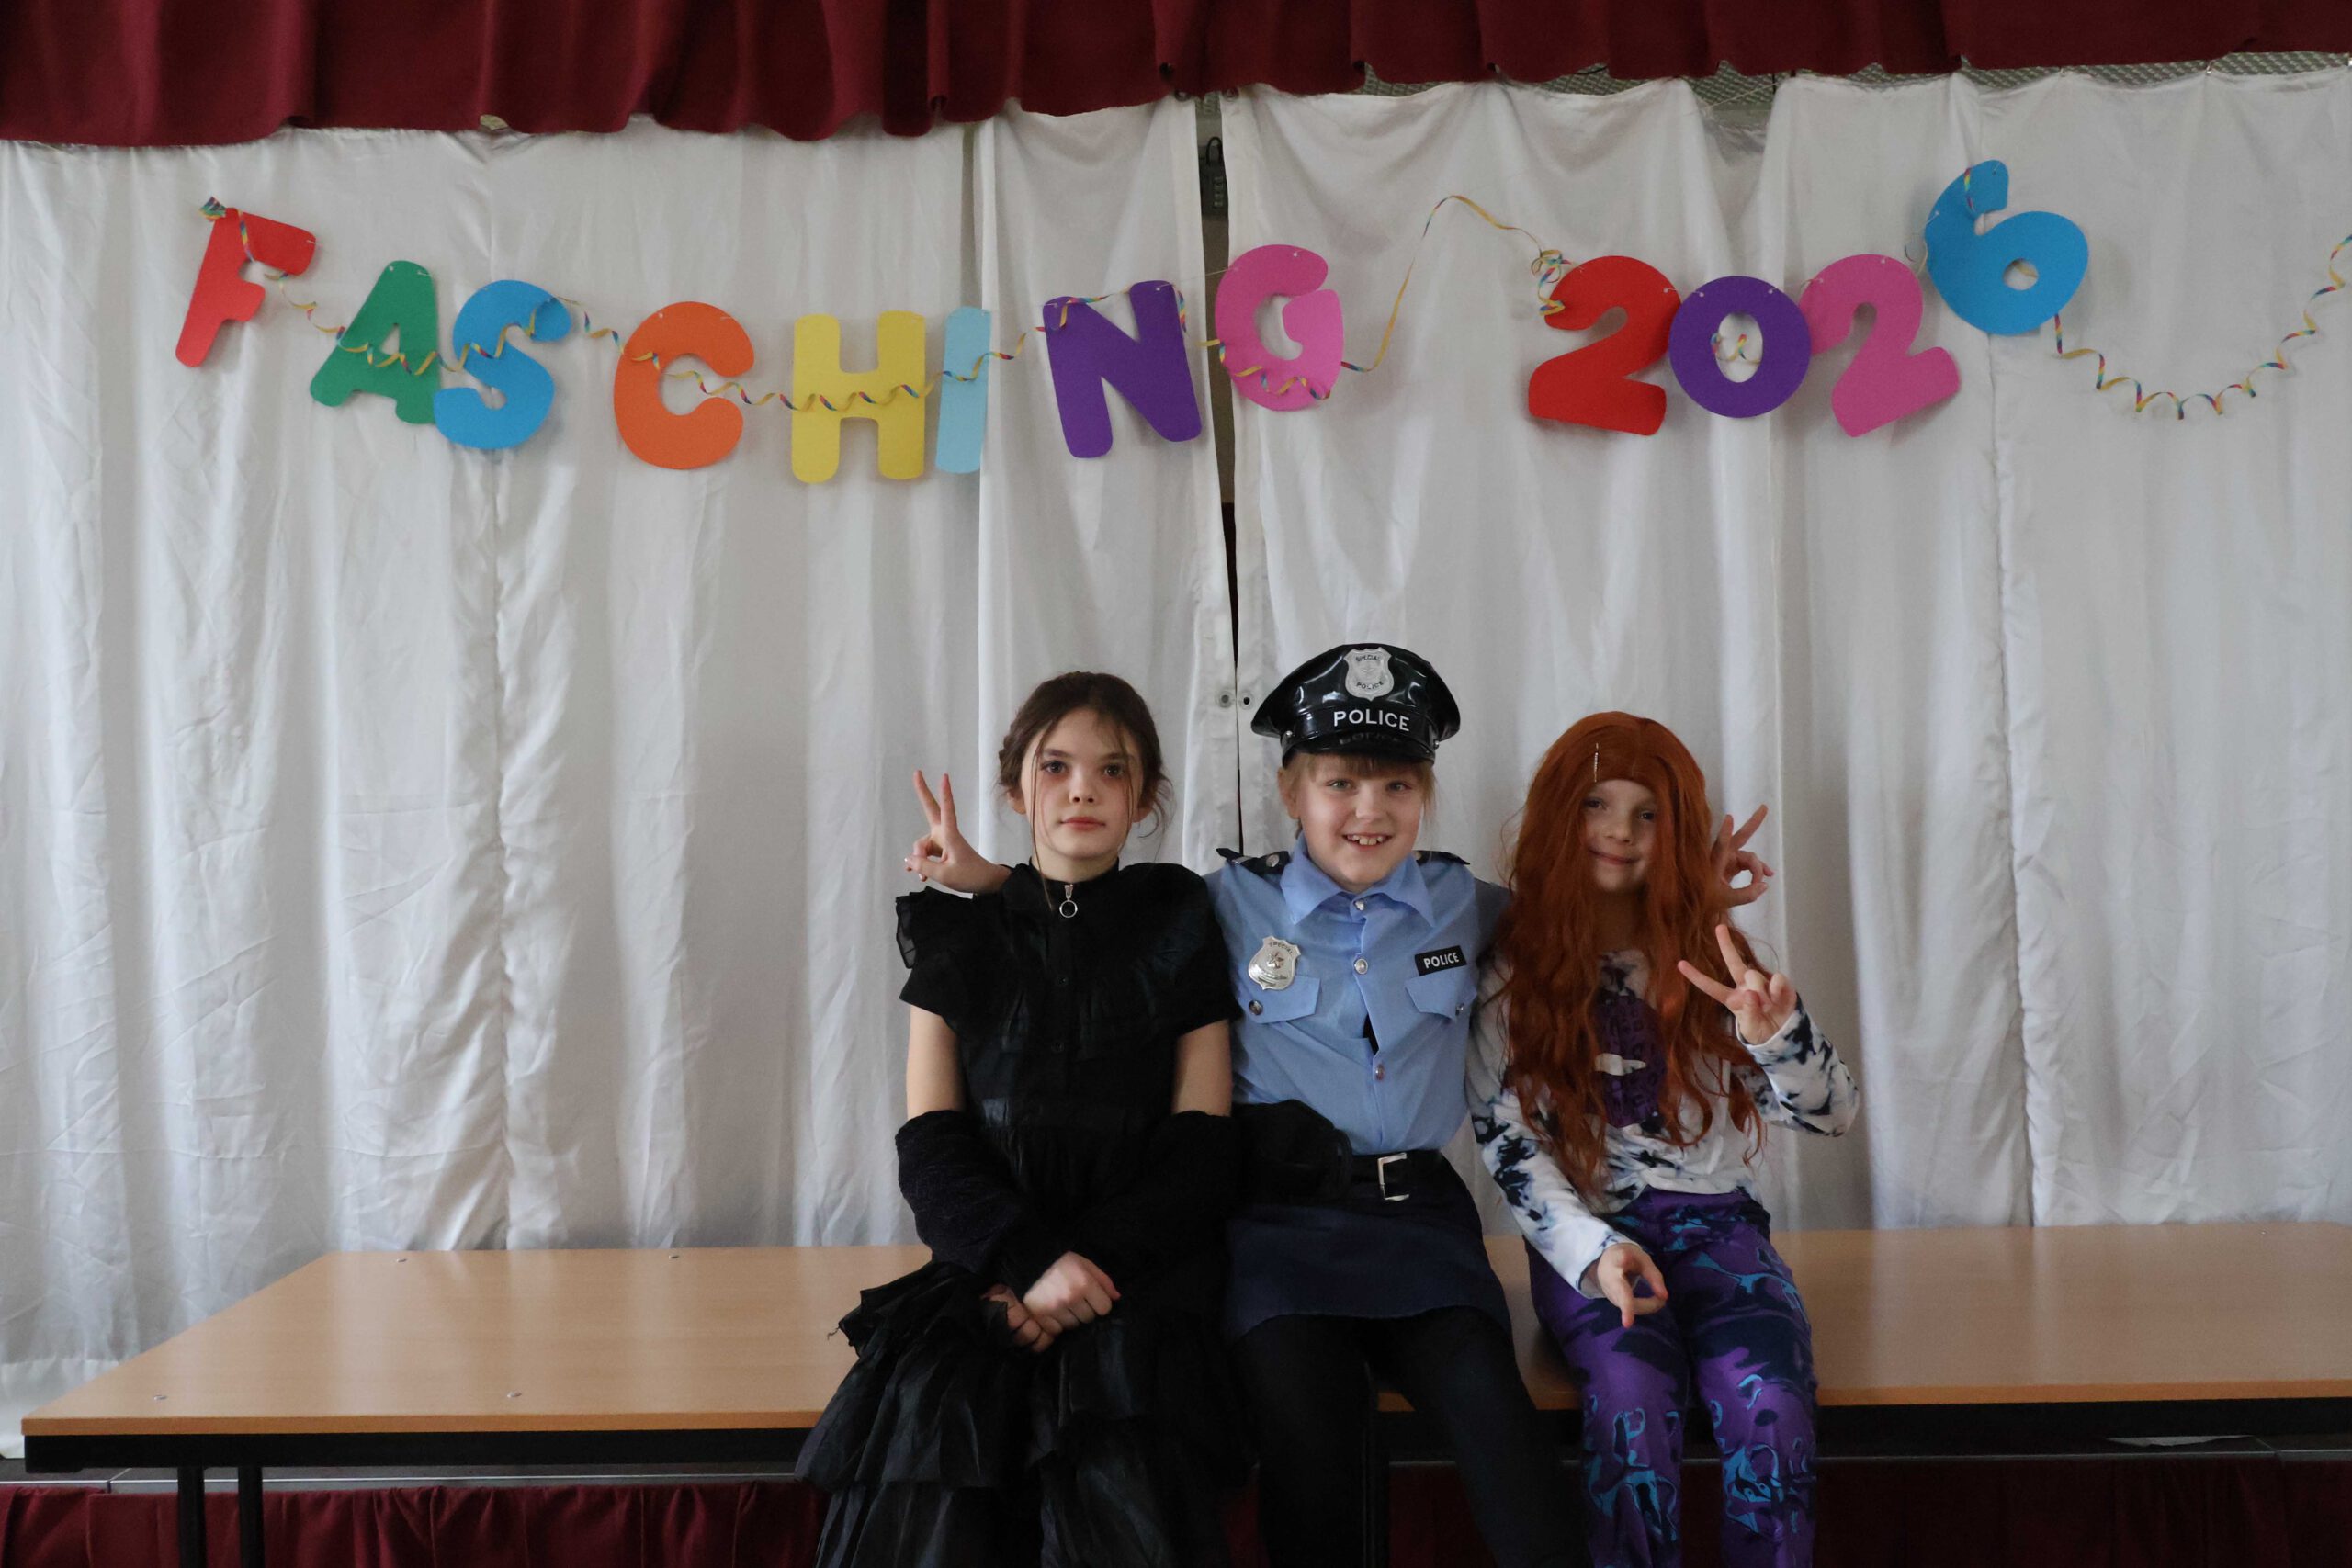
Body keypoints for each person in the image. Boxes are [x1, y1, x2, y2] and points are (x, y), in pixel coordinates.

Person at [903, 648, 1771, 1568]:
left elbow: (1582, 932)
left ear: (1425, 794)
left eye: (1397, 785)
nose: (1369, 810)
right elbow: (1098, 916)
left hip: (1422, 1230)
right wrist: (990, 879)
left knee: (1512, 1459)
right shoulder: (1224, 904)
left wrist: (1693, 897)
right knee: (1311, 1461)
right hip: (1280, 1229)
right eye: (1339, 783)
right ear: (1291, 789)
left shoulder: (1465, 904)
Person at [803, 671, 1245, 1568]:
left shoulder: (1178, 917)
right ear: (1014, 789)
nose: (1083, 789)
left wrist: (1085, 1274)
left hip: (1140, 1281)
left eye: (1112, 769)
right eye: (1056, 767)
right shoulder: (958, 939)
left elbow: (1202, 1145)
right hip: (990, 1274)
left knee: (1121, 1486)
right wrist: (1030, 1264)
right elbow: (931, 1144)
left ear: (1145, 797)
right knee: (940, 1456)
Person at [1470, 711, 1859, 1568]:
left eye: (1648, 814)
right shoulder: (1512, 967)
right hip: (1595, 1239)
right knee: (1632, 1405)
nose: (1620, 830)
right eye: (1597, 804)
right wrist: (1591, 1251)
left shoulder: (1713, 958)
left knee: (1773, 1405)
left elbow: (1832, 1113)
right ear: (1558, 814)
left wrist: (1777, 1034)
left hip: (1720, 1230)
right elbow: (1507, 1139)